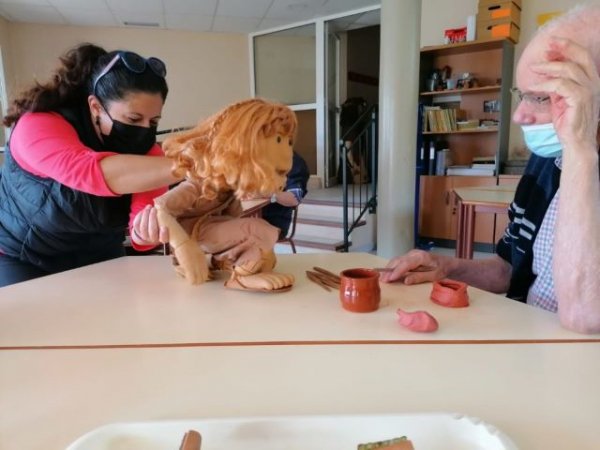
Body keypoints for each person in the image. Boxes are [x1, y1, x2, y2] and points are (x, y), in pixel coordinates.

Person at [381, 5, 600, 334]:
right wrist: (445, 266)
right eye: (521, 95)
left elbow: (584, 316)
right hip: (525, 343)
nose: (519, 116)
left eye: (542, 98)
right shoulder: (545, 161)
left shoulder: (574, 152)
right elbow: (506, 269)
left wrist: (580, 152)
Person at [0, 43, 182, 287]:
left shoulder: (150, 153)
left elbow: (141, 234)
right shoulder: (37, 125)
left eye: (153, 121)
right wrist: (199, 165)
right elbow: (88, 172)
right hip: (24, 255)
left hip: (99, 252)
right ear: (96, 106)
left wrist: (145, 231)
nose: (143, 130)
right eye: (134, 118)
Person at [261, 151, 309, 240]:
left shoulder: (293, 161)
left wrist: (268, 194)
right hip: (246, 217)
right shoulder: (251, 157)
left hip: (273, 222)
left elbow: (294, 198)